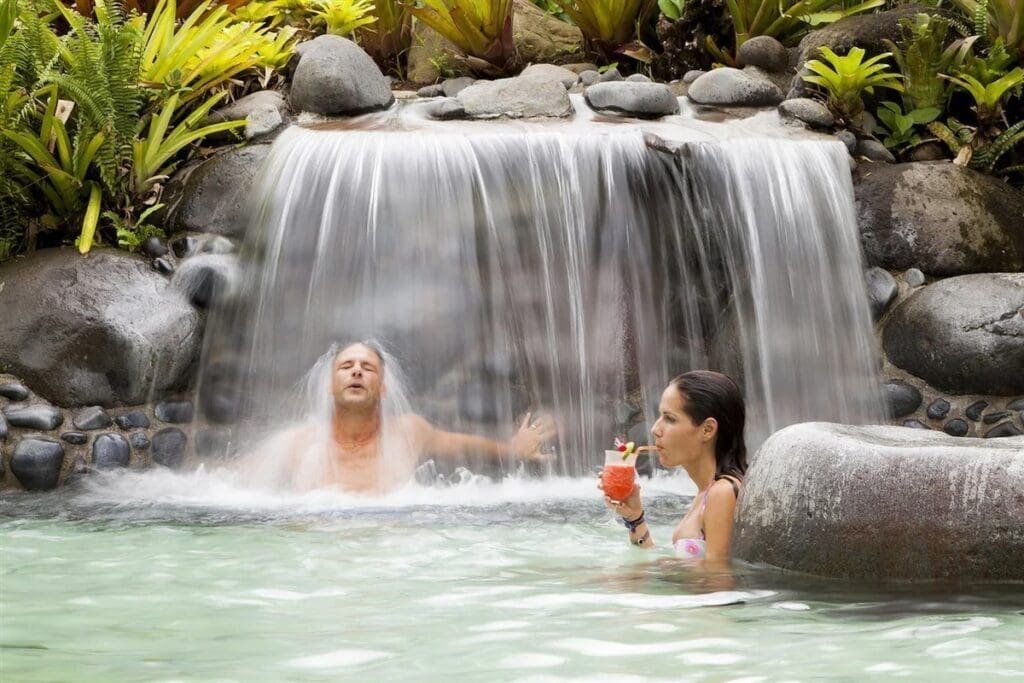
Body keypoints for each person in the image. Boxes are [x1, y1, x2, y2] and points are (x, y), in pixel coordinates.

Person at [273, 341, 556, 493]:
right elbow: (231, 483)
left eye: (368, 368)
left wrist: (513, 449)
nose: (357, 371)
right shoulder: (296, 444)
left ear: (383, 387)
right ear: (330, 386)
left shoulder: (409, 433)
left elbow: (465, 446)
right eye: (346, 366)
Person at [599, 370, 747, 562]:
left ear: (707, 429)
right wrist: (635, 518)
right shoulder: (708, 492)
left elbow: (717, 582)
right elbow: (695, 570)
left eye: (669, 419)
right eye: (660, 417)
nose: (655, 429)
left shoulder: (722, 492)